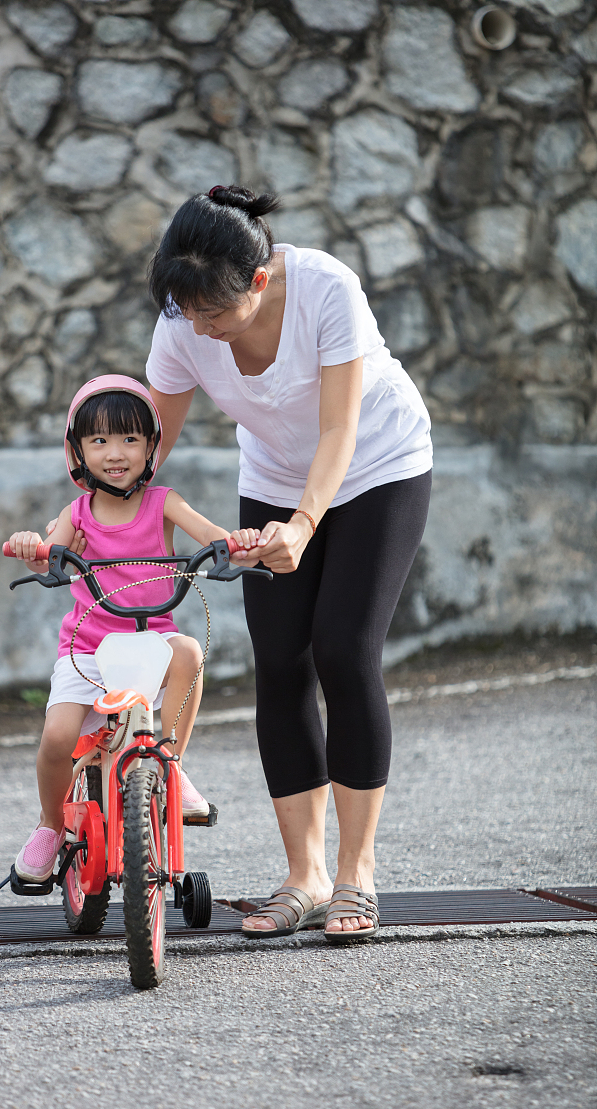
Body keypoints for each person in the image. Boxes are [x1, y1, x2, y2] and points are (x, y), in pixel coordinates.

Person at [145, 186, 433, 941]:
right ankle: (303, 876)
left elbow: (340, 425)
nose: (200, 327)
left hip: (379, 467)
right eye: (188, 310)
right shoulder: (182, 323)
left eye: (214, 311)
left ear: (260, 280)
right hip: (272, 480)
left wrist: (304, 525)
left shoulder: (325, 287)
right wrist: (80, 512)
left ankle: (356, 873)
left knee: (345, 648)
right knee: (280, 660)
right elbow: (145, 447)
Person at [8, 374, 259, 883]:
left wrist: (239, 543)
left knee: (188, 649)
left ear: (151, 447)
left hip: (151, 639)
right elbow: (49, 555)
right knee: (57, 738)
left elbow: (214, 537)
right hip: (88, 647)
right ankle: (51, 825)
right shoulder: (76, 513)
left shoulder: (164, 502)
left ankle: (170, 764)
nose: (115, 453)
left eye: (129, 439)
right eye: (98, 440)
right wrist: (33, 547)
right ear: (77, 451)